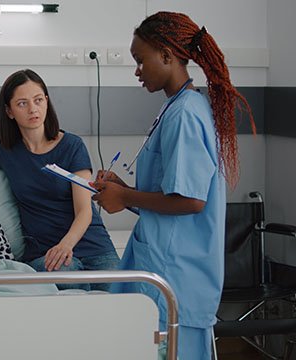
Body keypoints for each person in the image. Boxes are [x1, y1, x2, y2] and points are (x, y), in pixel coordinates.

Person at [91, 12, 255, 360]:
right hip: (168, 265)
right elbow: (170, 194)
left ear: (166, 55)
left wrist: (124, 196)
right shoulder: (177, 107)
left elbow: (192, 200)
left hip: (175, 274)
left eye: (140, 60)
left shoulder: (185, 114)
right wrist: (124, 191)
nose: (137, 70)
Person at [0, 69, 119, 291]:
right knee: (69, 280)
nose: (33, 109)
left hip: (94, 247)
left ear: (47, 102)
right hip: (47, 254)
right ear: (9, 111)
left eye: (38, 100)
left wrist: (66, 245)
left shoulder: (72, 146)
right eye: (22, 103)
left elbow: (84, 211)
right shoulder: (4, 153)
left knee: (122, 300)